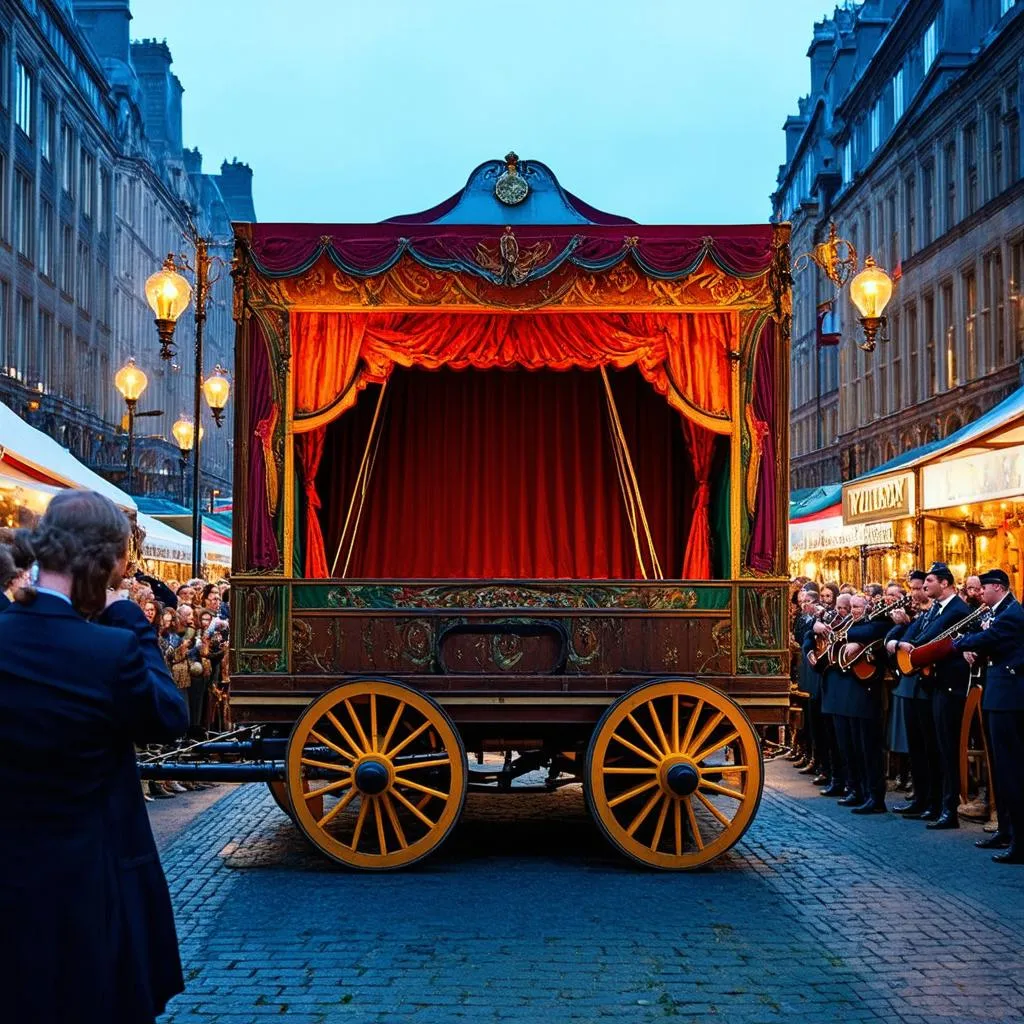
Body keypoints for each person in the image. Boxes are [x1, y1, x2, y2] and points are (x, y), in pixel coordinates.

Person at [0, 490, 189, 1022]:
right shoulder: (110, 651)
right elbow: (168, 717)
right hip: (91, 884)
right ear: (106, 563)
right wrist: (128, 616)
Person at [952, 569, 1024, 864]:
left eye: (984, 588)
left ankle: (1019, 842)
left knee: (1012, 771)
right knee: (999, 770)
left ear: (998, 587)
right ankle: (1006, 831)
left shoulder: (1011, 614)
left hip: (1009, 698)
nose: (979, 593)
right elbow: (987, 640)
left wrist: (961, 644)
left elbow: (990, 637)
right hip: (997, 694)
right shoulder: (998, 610)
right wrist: (975, 645)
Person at [898, 562, 972, 830]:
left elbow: (927, 637)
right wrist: (899, 642)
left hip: (950, 686)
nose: (924, 585)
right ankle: (934, 802)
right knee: (933, 747)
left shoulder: (956, 610)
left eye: (929, 581)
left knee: (946, 749)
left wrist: (911, 647)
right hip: (934, 685)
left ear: (945, 583)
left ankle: (948, 809)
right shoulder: (936, 609)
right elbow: (914, 631)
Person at [885, 570, 941, 818]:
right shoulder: (921, 613)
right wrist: (899, 636)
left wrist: (905, 631)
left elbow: (919, 640)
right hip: (910, 682)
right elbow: (900, 637)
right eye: (914, 588)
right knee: (916, 745)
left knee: (929, 747)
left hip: (927, 684)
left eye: (921, 586)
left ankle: (931, 800)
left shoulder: (935, 611)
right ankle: (920, 797)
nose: (916, 592)